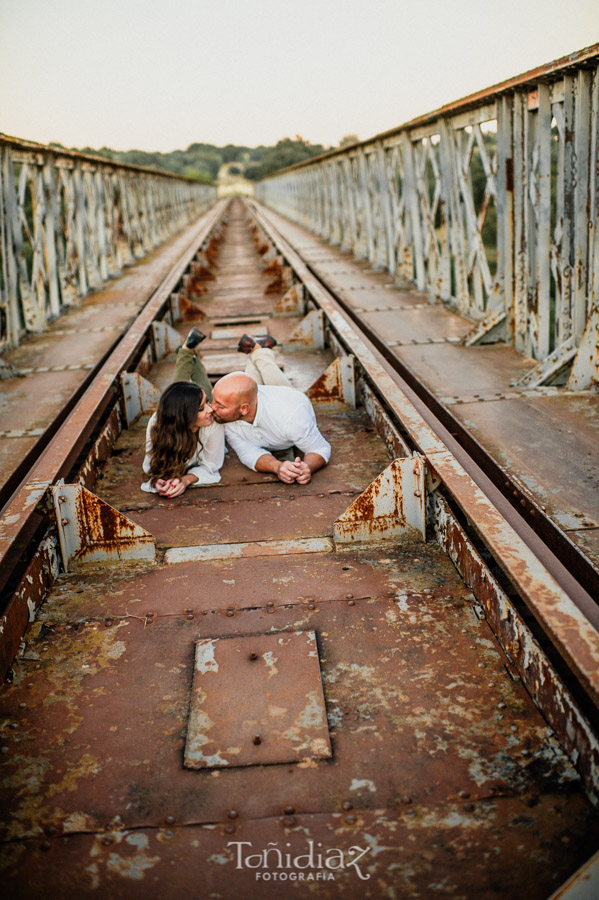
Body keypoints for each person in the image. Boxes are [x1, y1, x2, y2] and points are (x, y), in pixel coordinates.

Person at [210, 334, 331, 485]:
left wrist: (307, 467)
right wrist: (278, 467)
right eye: (213, 399)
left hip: (285, 396)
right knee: (248, 382)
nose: (211, 408)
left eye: (220, 405)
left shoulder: (291, 417)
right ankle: (258, 349)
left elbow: (320, 448)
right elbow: (248, 452)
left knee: (267, 368)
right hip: (258, 398)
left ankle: (259, 350)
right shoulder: (226, 416)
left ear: (244, 409)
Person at [141, 329, 225, 497]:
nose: (211, 409)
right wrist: (158, 480)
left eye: (206, 404)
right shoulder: (158, 423)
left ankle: (187, 351)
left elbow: (212, 465)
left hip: (189, 411)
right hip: (180, 412)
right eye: (202, 408)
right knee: (182, 394)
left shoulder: (212, 419)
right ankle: (188, 353)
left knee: (189, 391)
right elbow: (151, 466)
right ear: (184, 419)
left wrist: (186, 479)